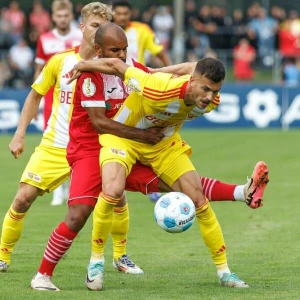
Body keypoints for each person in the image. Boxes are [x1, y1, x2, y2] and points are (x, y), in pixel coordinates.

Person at [68, 57, 269, 289]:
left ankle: (225, 273)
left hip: (163, 144)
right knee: (112, 190)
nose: (208, 97)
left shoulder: (211, 100)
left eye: (215, 91)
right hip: (124, 140)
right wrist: (83, 65)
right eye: (205, 89)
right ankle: (96, 262)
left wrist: (160, 68)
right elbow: (117, 66)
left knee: (199, 200)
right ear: (192, 82)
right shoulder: (157, 87)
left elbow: (191, 65)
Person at [0, 2, 143, 277]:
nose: (99, 31)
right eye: (94, 26)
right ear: (82, 27)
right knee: (22, 199)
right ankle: (3, 256)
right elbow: (35, 95)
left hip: (95, 147)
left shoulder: (117, 66)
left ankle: (121, 256)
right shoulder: (61, 60)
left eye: (104, 26)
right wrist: (19, 135)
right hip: (57, 144)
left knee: (118, 198)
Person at [34, 0, 82, 206]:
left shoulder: (80, 37)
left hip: (77, 94)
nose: (62, 19)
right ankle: (58, 191)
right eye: (59, 16)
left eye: (66, 16)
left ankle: (75, 186)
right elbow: (39, 71)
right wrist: (36, 99)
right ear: (53, 17)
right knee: (55, 138)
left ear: (70, 16)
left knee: (77, 139)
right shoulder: (44, 39)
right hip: (53, 96)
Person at [112, 0, 170, 66]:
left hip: (137, 74)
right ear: (113, 14)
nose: (122, 17)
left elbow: (161, 53)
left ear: (130, 13)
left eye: (125, 14)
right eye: (119, 14)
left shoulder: (142, 29)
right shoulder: (106, 31)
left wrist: (172, 72)